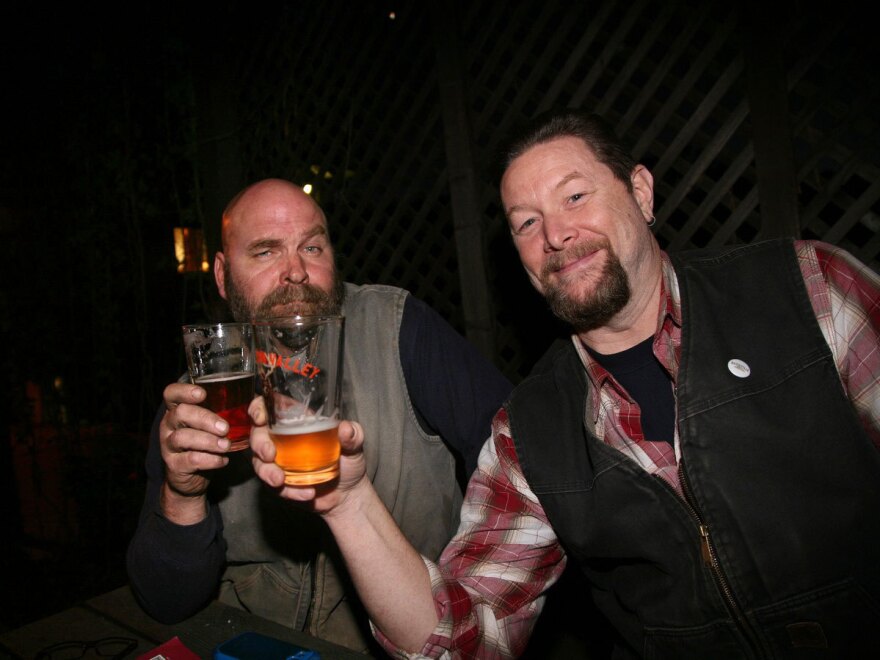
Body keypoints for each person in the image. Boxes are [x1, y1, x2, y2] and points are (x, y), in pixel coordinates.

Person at [248, 109, 880, 658]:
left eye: (575, 196)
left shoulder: (808, 290)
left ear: (641, 193)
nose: (555, 235)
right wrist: (349, 504)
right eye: (526, 223)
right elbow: (461, 640)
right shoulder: (529, 431)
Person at [125, 179, 513, 653]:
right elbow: (165, 600)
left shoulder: (397, 328)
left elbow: (518, 463)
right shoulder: (203, 395)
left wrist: (470, 592)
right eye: (265, 251)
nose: (295, 271)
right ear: (223, 276)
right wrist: (184, 495)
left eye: (311, 247)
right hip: (256, 644)